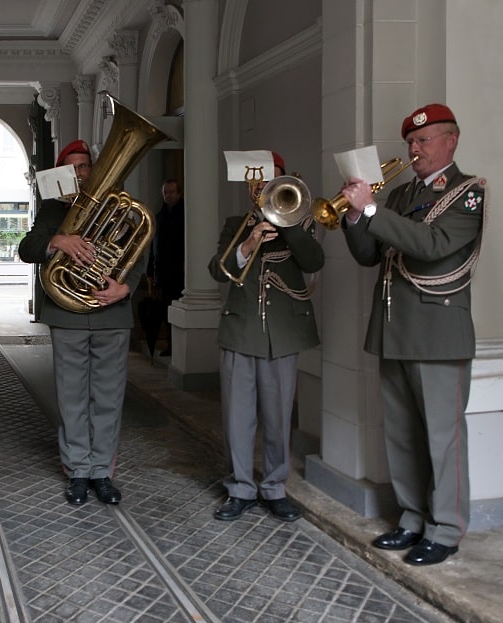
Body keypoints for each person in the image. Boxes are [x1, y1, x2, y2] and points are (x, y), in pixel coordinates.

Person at [340, 104, 485, 566]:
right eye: (411, 142)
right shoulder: (399, 196)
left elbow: (432, 247)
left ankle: (445, 529)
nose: (414, 149)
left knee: (443, 438)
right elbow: (369, 256)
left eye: (424, 140)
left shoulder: (467, 194)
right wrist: (352, 216)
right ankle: (412, 518)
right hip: (394, 328)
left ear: (451, 140)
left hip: (438, 332)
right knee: (401, 434)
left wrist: (371, 209)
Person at [18, 139, 146, 506]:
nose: (80, 173)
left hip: (111, 312)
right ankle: (78, 470)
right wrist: (58, 239)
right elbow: (28, 248)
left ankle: (102, 472)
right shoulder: (50, 211)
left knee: (108, 397)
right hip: (67, 314)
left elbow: (140, 249)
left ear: (94, 169)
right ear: (61, 173)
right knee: (72, 398)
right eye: (72, 167)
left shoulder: (117, 203)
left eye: (85, 166)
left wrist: (126, 288)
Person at [207, 151, 324, 523]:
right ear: (250, 188)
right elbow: (218, 269)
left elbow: (313, 261)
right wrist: (249, 239)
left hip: (282, 334)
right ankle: (240, 488)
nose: (264, 188)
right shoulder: (235, 224)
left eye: (272, 182)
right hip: (241, 330)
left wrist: (285, 221)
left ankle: (274, 488)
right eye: (259, 184)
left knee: (278, 417)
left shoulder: (302, 222)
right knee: (237, 418)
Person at [147, 178, 185, 356]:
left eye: (171, 192)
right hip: (162, 271)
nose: (168, 196)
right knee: (164, 310)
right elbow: (153, 246)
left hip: (179, 271)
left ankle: (177, 346)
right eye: (165, 193)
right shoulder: (159, 216)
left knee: (175, 306)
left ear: (179, 193)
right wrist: (150, 272)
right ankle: (170, 344)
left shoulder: (185, 214)